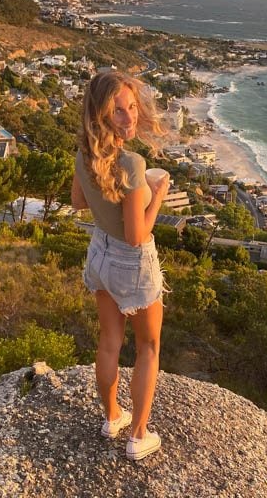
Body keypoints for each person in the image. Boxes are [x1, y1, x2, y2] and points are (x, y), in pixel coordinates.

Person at [71, 69, 169, 461]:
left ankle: (112, 417)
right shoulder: (131, 163)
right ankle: (138, 435)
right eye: (118, 111)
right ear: (100, 114)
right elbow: (137, 235)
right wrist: (157, 194)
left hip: (99, 254)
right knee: (148, 346)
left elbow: (79, 202)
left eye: (132, 107)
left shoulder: (85, 152)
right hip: (131, 260)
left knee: (110, 341)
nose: (130, 118)